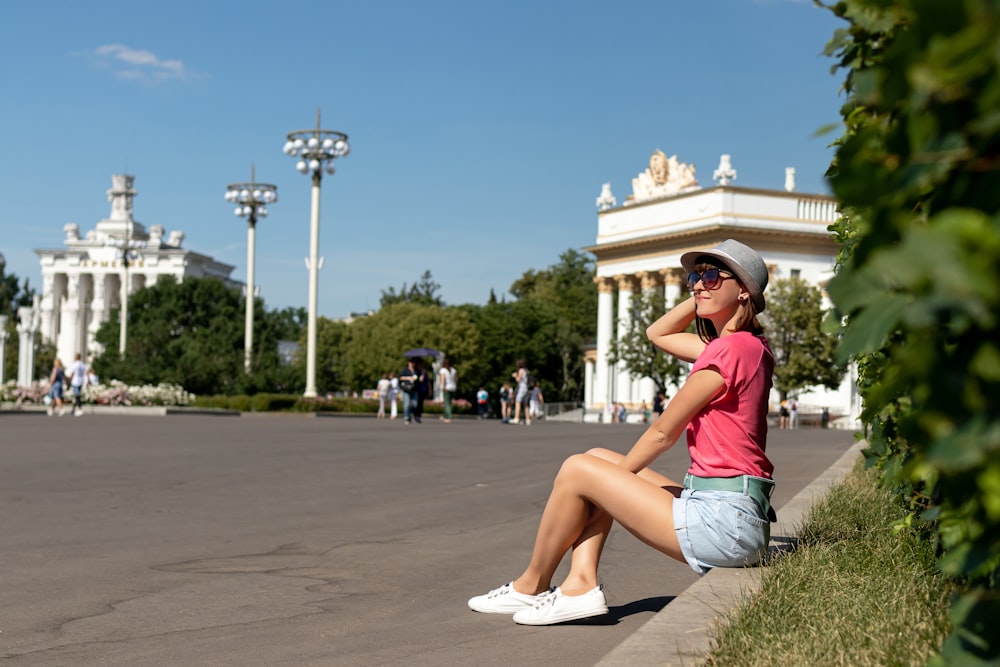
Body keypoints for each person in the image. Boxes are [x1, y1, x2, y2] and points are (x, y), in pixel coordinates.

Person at [468, 238, 774, 626]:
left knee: (581, 470)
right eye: (695, 277)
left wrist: (612, 485)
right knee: (598, 458)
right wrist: (705, 294)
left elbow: (664, 432)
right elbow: (658, 333)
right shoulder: (745, 346)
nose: (698, 283)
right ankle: (578, 582)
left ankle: (532, 585)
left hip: (724, 524)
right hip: (732, 513)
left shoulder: (725, 351)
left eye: (712, 276)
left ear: (744, 288)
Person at [67, 353, 88, 417]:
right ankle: (73, 409)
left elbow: (72, 374)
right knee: (77, 395)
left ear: (76, 357)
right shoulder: (83, 364)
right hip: (80, 381)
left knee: (77, 395)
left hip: (75, 381)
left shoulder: (75, 364)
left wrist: (69, 381)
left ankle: (80, 409)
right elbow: (86, 373)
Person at [438, 358, 458, 423]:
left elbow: (442, 379)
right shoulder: (453, 370)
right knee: (448, 403)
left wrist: (443, 387)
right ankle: (445, 416)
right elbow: (456, 380)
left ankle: (449, 417)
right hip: (453, 388)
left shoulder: (443, 370)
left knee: (447, 404)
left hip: (447, 388)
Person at [512, 360, 530, 426]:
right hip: (526, 388)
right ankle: (528, 420)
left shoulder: (521, 370)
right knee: (525, 404)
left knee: (518, 401)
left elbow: (518, 380)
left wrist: (515, 376)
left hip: (522, 387)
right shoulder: (526, 370)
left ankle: (516, 418)